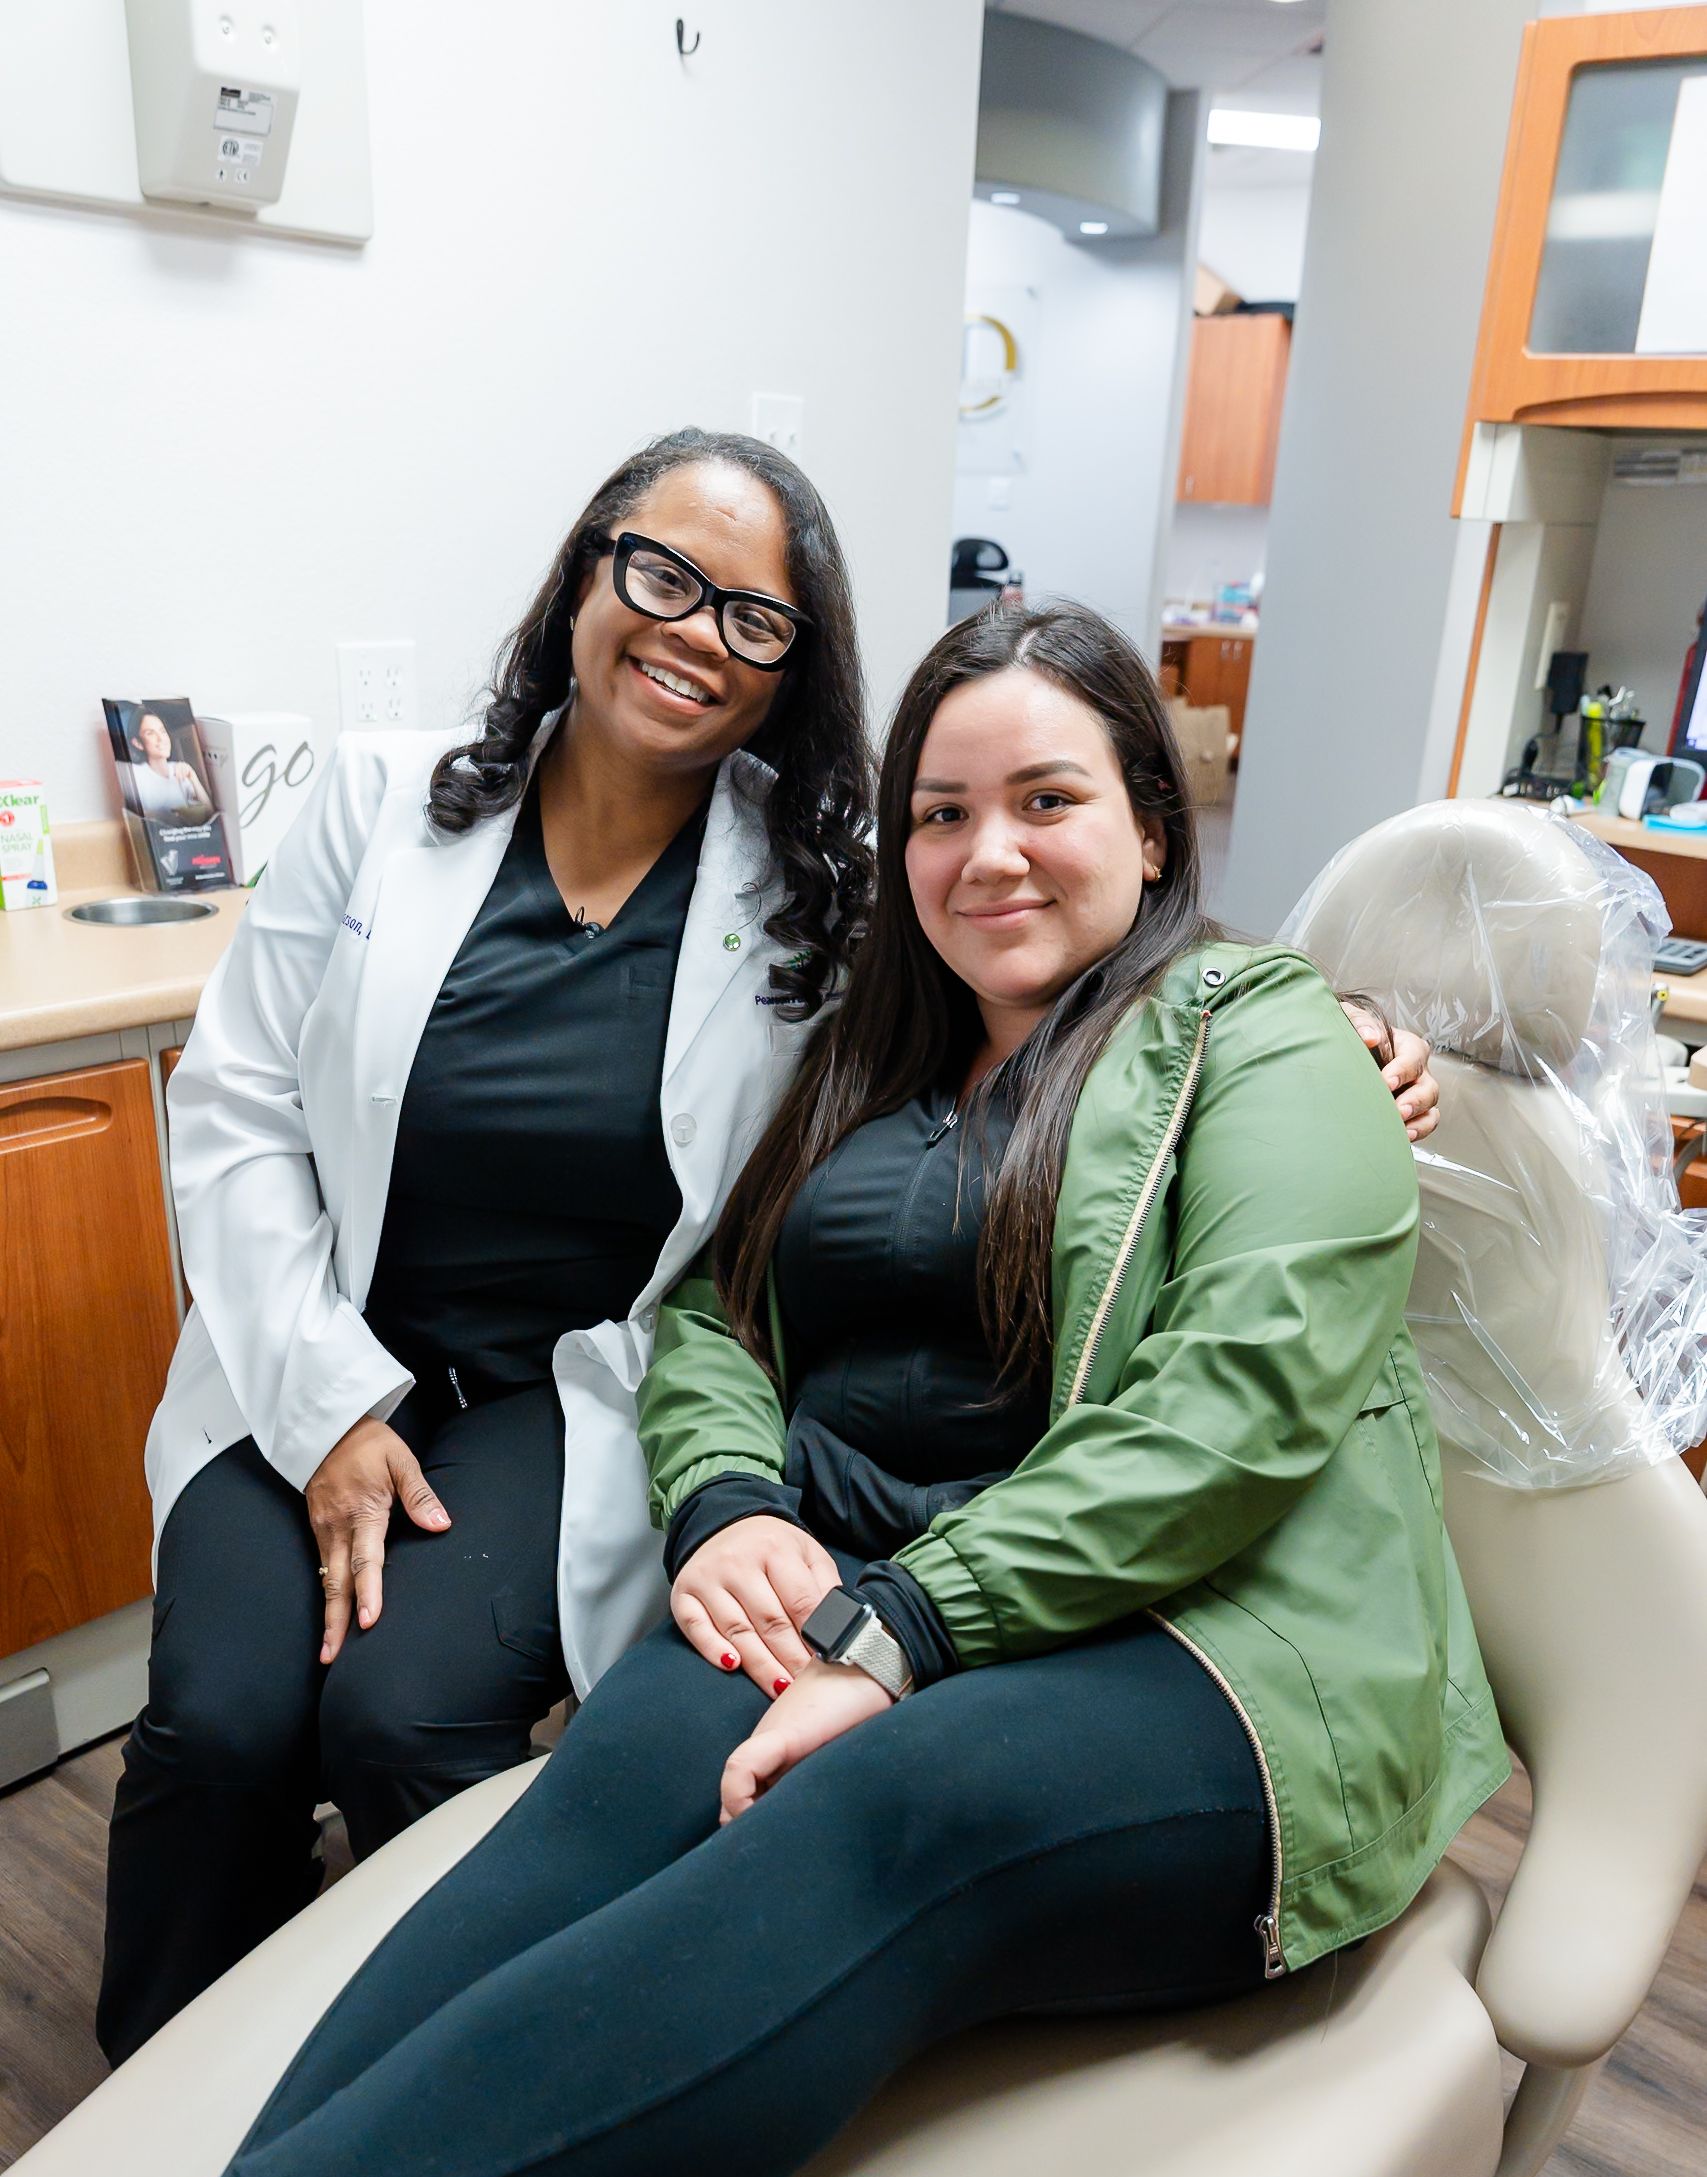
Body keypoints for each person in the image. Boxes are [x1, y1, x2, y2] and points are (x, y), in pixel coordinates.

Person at [0, 601, 1503, 2177]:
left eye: (1047, 797)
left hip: (1201, 1640)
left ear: (1147, 817)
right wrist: (724, 1509)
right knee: (589, 1817)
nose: (988, 852)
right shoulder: (868, 1061)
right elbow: (707, 1317)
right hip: (862, 1579)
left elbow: (1235, 1409)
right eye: (941, 811)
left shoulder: (1261, 1033)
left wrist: (903, 1628)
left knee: (878, 1803)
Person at [100, 434, 1436, 2067]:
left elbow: (1048, 929)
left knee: (407, 1714)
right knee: (218, 1724)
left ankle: (413, 2064)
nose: (694, 633)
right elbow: (233, 1109)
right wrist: (327, 1415)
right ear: (586, 575)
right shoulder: (381, 800)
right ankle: (159, 2088)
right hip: (307, 1352)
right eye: (661, 576)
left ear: (795, 673)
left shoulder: (825, 883)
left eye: (757, 619)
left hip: (566, 1385)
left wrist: (1322, 1025)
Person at [125, 714, 212, 822]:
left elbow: (209, 814)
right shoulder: (135, 774)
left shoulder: (180, 769)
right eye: (150, 733)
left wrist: (194, 778)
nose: (161, 738)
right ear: (138, 743)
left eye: (162, 731)